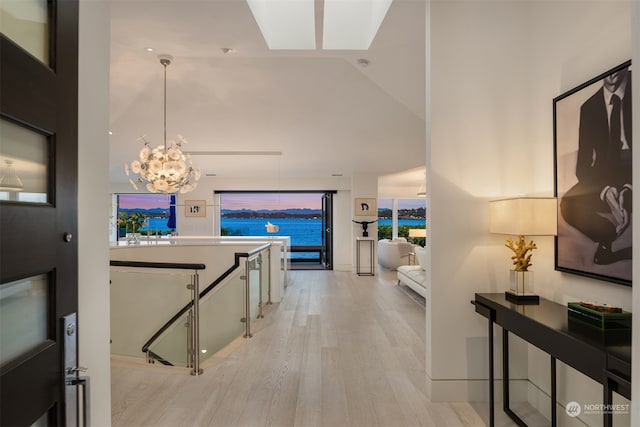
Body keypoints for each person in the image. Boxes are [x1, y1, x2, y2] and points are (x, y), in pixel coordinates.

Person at [560, 66, 632, 265]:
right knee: (568, 204)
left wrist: (629, 189)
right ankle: (608, 236)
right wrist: (604, 190)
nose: (611, 75)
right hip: (603, 175)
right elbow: (582, 165)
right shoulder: (589, 107)